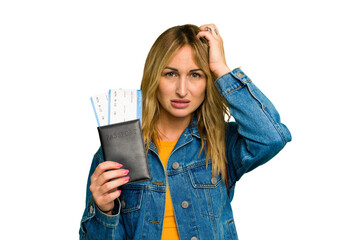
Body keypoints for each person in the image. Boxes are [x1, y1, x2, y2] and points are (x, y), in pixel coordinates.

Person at [79, 23, 292, 240]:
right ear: (155, 78)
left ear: (208, 80)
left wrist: (221, 69)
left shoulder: (222, 143)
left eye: (196, 75)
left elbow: (272, 137)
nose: (182, 90)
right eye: (171, 74)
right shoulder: (116, 151)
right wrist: (103, 212)